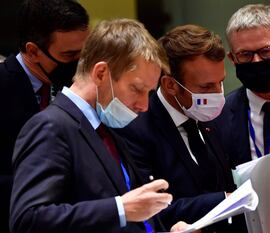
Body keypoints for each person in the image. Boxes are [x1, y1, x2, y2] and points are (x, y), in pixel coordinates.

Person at [10, 18, 173, 233]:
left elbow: (134, 213)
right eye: (136, 88)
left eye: (149, 93)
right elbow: (28, 220)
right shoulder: (50, 126)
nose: (144, 105)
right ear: (101, 73)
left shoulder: (107, 129)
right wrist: (119, 209)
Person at [116, 24, 246, 232]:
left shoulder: (209, 114)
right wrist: (225, 200)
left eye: (220, 83)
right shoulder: (135, 130)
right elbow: (150, 210)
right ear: (170, 85)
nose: (217, 95)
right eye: (205, 87)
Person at [0, 1, 88, 232]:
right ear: (32, 51)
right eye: (69, 55)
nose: (79, 64)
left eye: (83, 53)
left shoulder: (78, 86)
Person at [217, 4, 270, 168]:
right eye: (245, 54)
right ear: (232, 58)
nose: (256, 61)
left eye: (266, 50)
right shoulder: (220, 115)